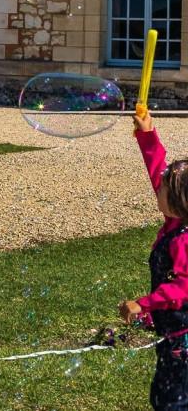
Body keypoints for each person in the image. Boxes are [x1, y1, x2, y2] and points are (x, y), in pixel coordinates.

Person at [122, 111, 188, 410]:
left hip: (183, 340)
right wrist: (147, 135)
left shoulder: (185, 240)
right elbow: (157, 170)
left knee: (173, 401)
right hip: (171, 333)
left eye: (162, 188)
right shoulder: (177, 221)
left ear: (177, 200)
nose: (155, 188)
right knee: (163, 394)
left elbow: (183, 289)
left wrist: (144, 304)